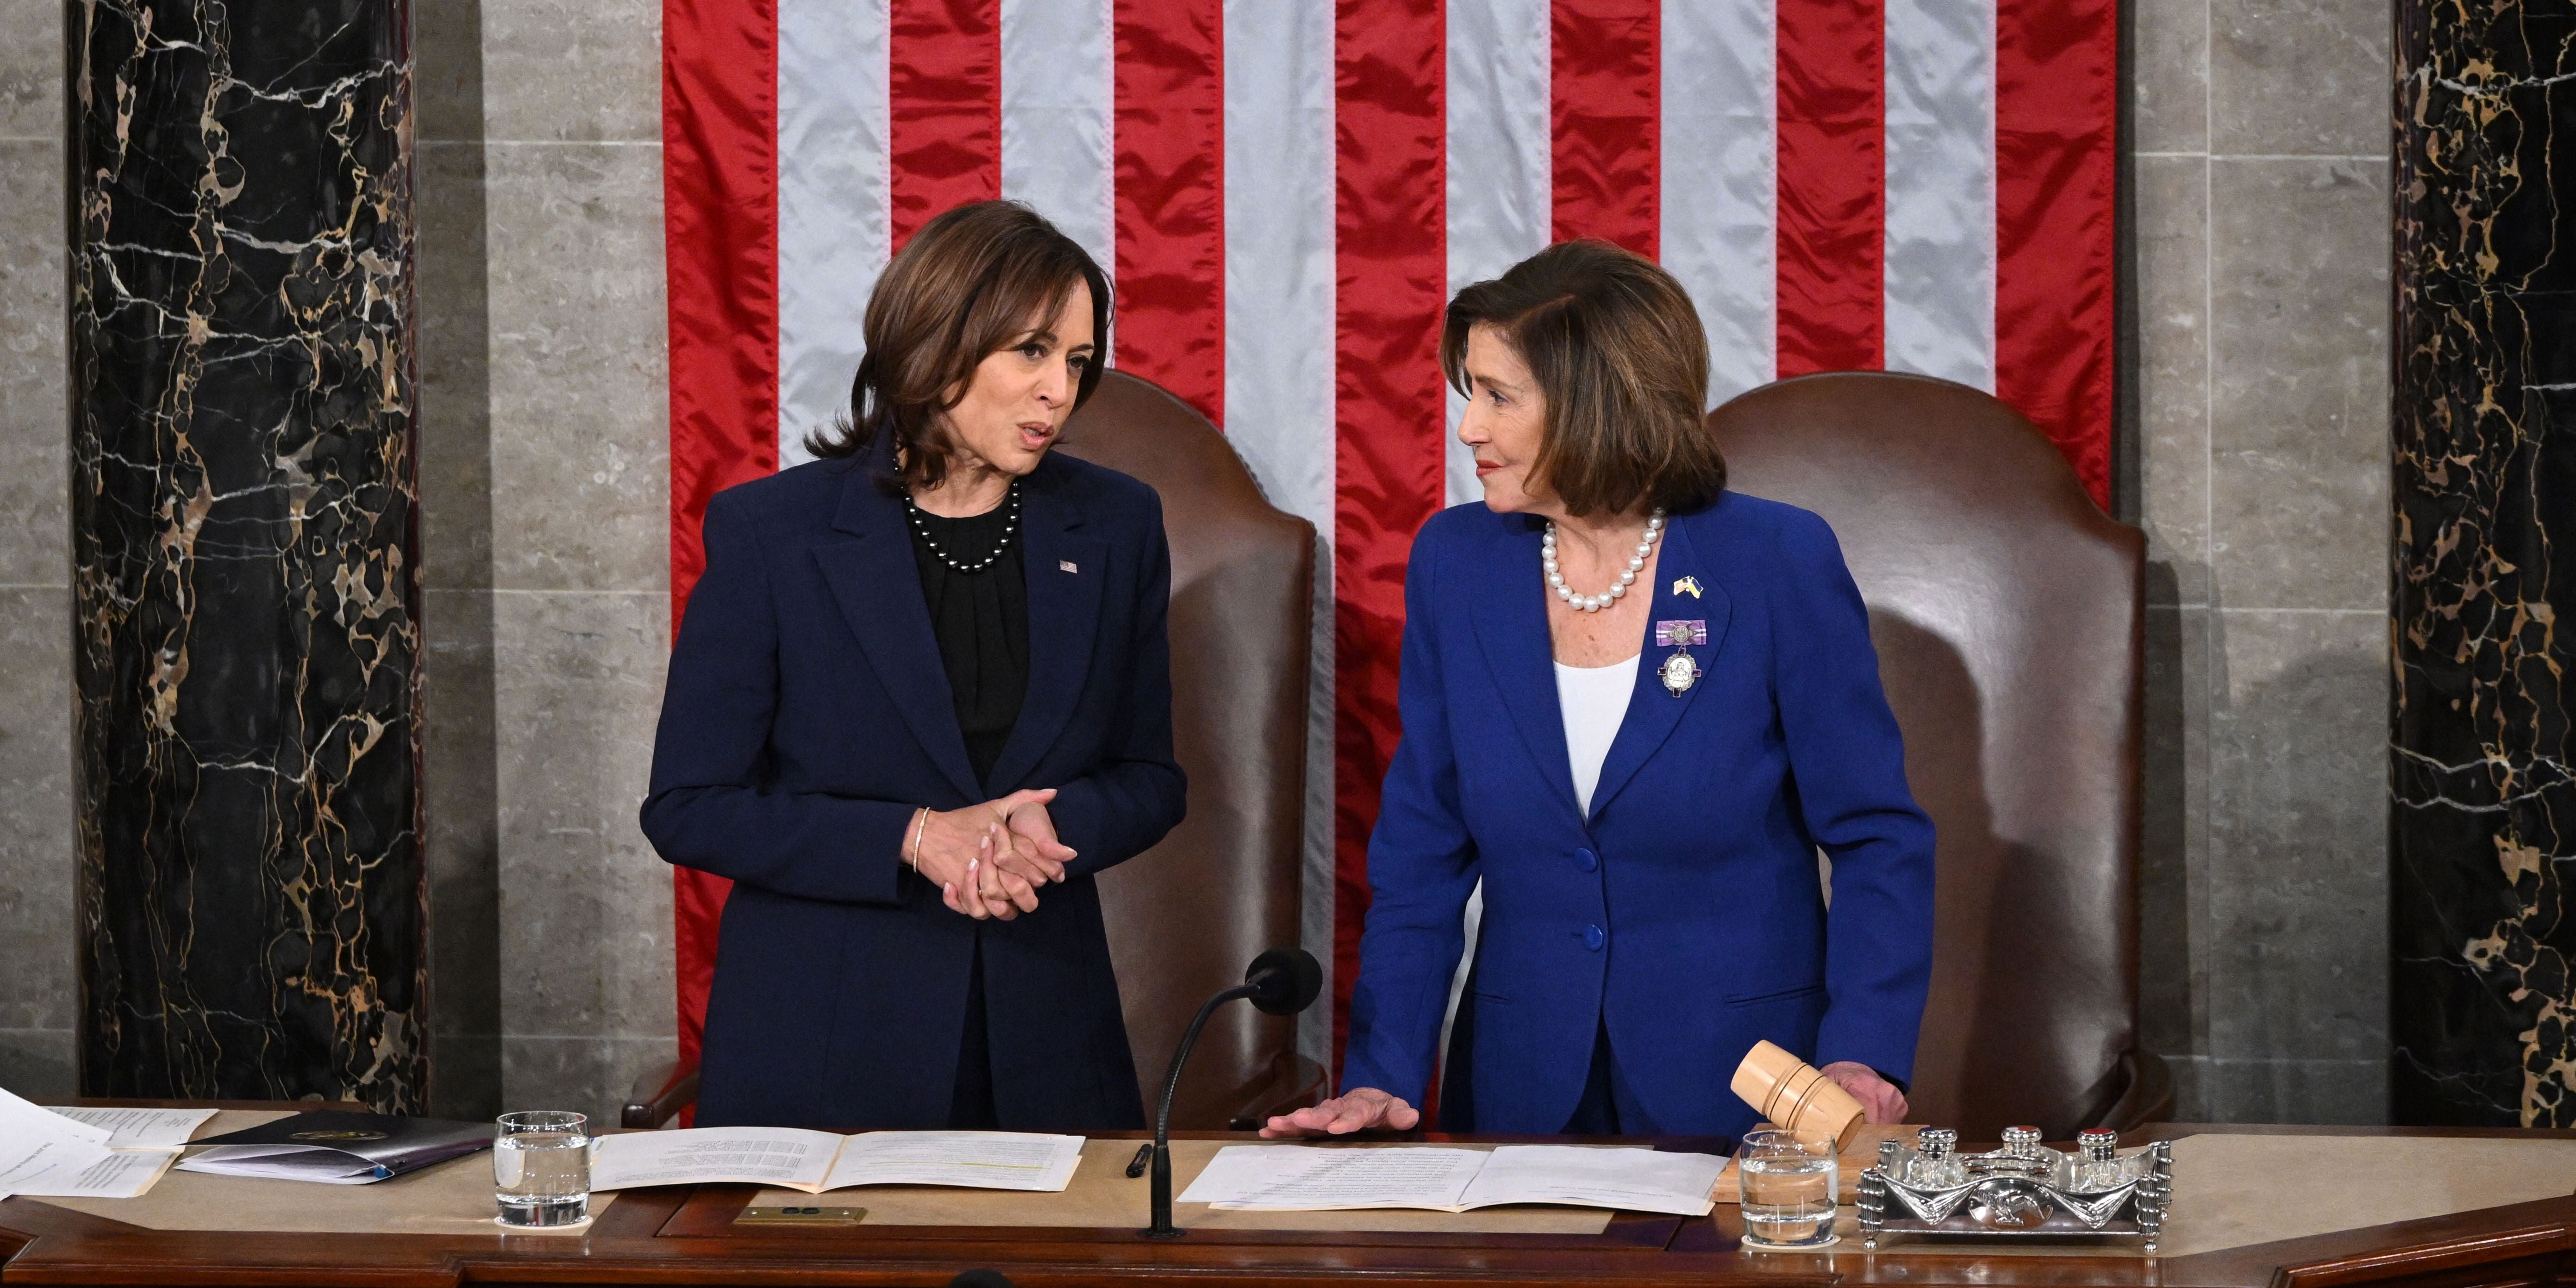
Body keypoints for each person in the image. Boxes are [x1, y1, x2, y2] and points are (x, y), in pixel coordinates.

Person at [1269, 241, 1934, 1139]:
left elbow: (1876, 835)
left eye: (1500, 397)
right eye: (1474, 394)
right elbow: (1422, 851)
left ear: (1597, 404)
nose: (1469, 428)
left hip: (1747, 1094)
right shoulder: (1455, 564)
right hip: (1520, 1090)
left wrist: (1863, 1047)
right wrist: (1384, 1070)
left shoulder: (1775, 560)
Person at [643, 200, 1187, 1131]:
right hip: (826, 1049)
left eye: (1078, 361)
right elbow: (689, 805)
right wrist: (913, 835)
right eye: (1031, 351)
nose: (1060, 389)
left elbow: (1149, 777)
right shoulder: (775, 534)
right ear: (937, 347)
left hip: (1048, 1037)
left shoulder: (1116, 525)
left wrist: (1044, 822)